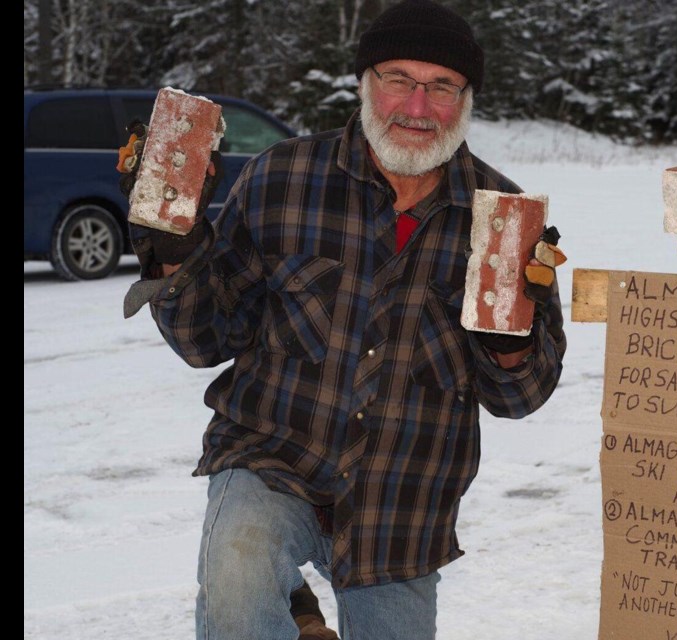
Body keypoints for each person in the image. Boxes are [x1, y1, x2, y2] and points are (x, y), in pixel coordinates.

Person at [122, 0, 566, 638]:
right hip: (271, 454)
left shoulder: (505, 224)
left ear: (467, 99)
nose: (417, 107)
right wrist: (172, 255)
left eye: (441, 87)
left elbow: (520, 398)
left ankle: (305, 622)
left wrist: (509, 344)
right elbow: (205, 341)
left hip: (403, 501)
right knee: (237, 580)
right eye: (397, 80)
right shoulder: (283, 178)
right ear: (364, 84)